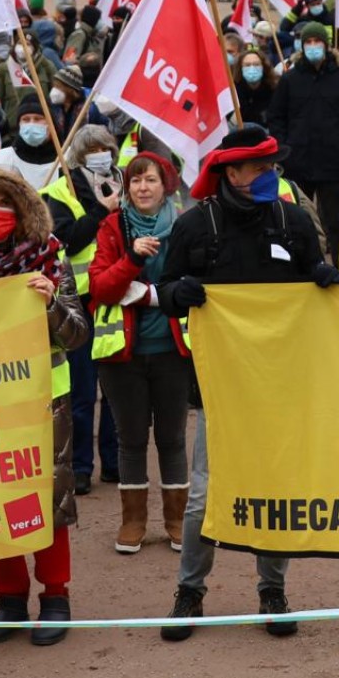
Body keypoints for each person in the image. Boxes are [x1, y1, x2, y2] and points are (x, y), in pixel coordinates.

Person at [156, 124, 339, 640]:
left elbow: (316, 275)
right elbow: (165, 288)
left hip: (281, 383)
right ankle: (189, 593)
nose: (269, 174)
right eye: (259, 167)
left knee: (273, 489)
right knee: (205, 496)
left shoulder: (293, 219)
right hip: (222, 386)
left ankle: (272, 590)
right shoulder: (195, 227)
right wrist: (179, 292)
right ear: (230, 173)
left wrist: (324, 277)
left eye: (271, 166)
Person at [0, 169, 89, 645]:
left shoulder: (51, 256)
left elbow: (77, 333)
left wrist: (50, 303)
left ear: (22, 208)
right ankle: (10, 599)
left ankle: (55, 596)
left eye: (3, 203)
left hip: (47, 394)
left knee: (50, 496)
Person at [86, 151, 195, 554]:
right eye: (135, 181)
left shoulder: (184, 225)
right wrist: (132, 258)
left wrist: (149, 295)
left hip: (172, 350)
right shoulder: (113, 226)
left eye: (149, 180)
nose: (142, 187)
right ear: (126, 187)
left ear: (165, 185)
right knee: (130, 439)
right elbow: (100, 288)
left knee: (171, 439)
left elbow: (192, 282)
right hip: (122, 355)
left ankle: (177, 520)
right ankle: (133, 522)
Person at [41, 127, 124, 495]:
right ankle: (79, 467)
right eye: (92, 149)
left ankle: (115, 461)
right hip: (80, 302)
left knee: (116, 388)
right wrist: (99, 211)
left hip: (116, 297)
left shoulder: (127, 184)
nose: (100, 154)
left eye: (105, 148)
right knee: (82, 390)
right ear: (78, 154)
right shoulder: (61, 191)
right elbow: (68, 242)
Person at [265, 20, 339, 244]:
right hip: (298, 163)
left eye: (317, 41)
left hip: (333, 164)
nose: (312, 45)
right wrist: (285, 149)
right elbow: (276, 116)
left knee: (335, 223)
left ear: (326, 44)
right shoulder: (290, 79)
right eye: (308, 41)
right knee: (298, 221)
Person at [0, 95, 60, 185]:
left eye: (38, 119)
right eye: (25, 119)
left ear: (52, 124)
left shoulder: (66, 161)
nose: (31, 124)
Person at [233, 48, 276, 127]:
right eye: (247, 65)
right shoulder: (233, 92)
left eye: (256, 64)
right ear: (240, 68)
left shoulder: (275, 87)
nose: (252, 68)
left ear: (264, 67)